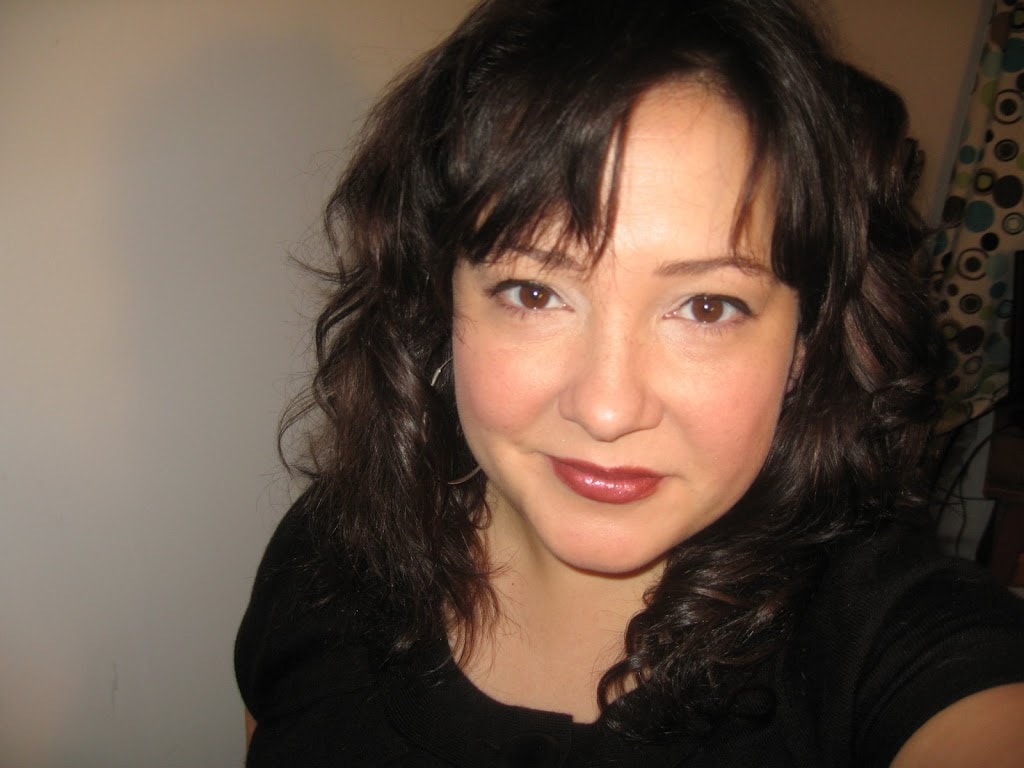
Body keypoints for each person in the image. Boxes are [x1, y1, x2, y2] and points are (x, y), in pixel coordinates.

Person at [235, 1, 1024, 765]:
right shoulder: (325, 558)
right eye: (534, 293)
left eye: (707, 306)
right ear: (436, 305)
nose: (608, 410)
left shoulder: (886, 643)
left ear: (806, 344)